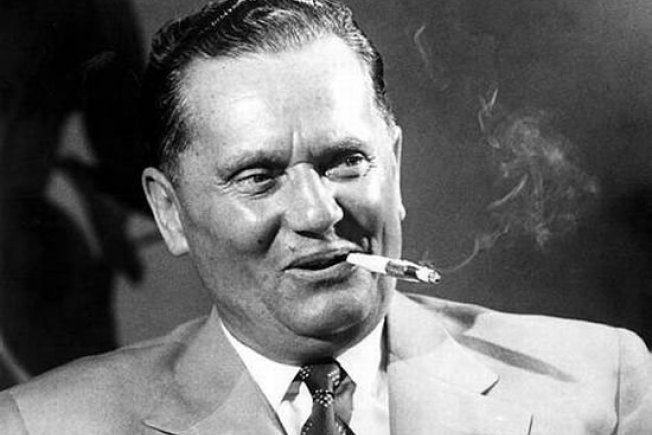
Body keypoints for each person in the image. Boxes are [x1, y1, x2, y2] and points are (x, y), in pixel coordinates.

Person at [1, 0, 651, 433]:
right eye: (259, 177)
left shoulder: (603, 383)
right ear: (169, 212)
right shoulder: (44, 425)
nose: (317, 211)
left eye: (345, 162)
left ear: (394, 164)